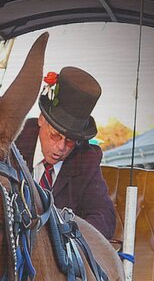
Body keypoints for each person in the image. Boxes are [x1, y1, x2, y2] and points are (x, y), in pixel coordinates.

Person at [15, 66, 116, 240]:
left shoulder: (86, 159)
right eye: (55, 135)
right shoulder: (14, 145)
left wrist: (67, 235)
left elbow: (104, 216)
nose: (61, 147)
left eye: (70, 141)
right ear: (41, 119)